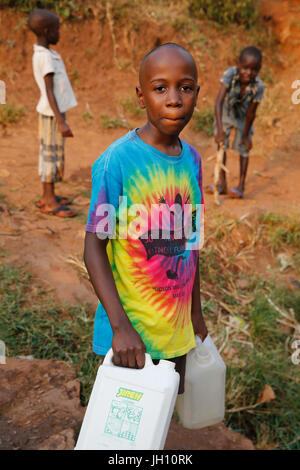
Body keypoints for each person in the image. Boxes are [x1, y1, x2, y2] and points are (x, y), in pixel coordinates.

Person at [84, 43, 208, 394]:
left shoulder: (193, 161)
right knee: (126, 423)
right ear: (141, 96)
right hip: (131, 336)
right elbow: (93, 249)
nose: (174, 99)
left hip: (176, 330)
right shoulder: (117, 162)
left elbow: (191, 242)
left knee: (162, 414)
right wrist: (120, 327)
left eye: (185, 88)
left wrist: (195, 313)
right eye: (160, 88)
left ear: (197, 94)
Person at [28, 9, 77, 217]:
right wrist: (61, 121)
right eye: (57, 29)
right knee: (50, 156)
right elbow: (48, 90)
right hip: (51, 115)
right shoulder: (45, 58)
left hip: (53, 114)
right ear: (47, 31)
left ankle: (50, 195)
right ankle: (49, 201)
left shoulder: (46, 53)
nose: (59, 33)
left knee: (53, 155)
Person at [207, 46, 264, 198]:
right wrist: (219, 130)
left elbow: (252, 113)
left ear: (258, 70)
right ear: (238, 64)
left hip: (244, 116)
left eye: (254, 70)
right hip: (226, 111)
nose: (248, 73)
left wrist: (245, 135)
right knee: (221, 145)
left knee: (243, 148)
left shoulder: (258, 86)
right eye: (245, 68)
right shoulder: (230, 74)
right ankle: (221, 184)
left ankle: (241, 186)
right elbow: (218, 102)